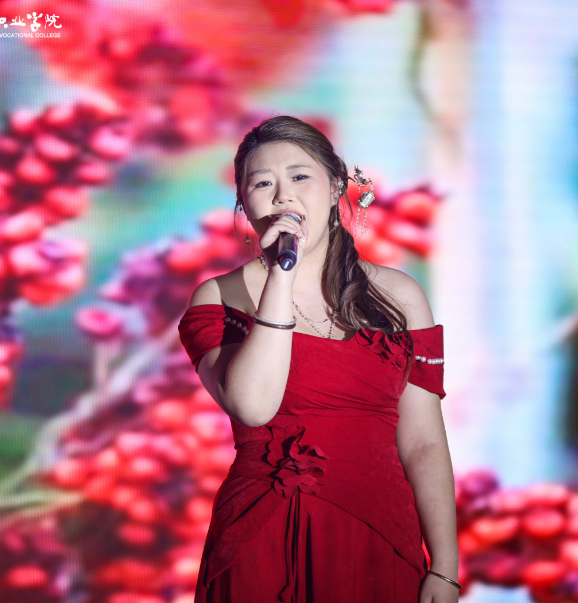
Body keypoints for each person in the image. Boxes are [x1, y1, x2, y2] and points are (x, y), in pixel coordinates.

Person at [177, 115, 460, 603]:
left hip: (378, 533)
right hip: (264, 534)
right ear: (243, 203)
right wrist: (280, 278)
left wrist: (446, 568)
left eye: (299, 176)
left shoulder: (400, 295)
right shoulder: (218, 296)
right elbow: (253, 407)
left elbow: (424, 442)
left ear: (334, 187)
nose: (282, 196)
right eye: (262, 183)